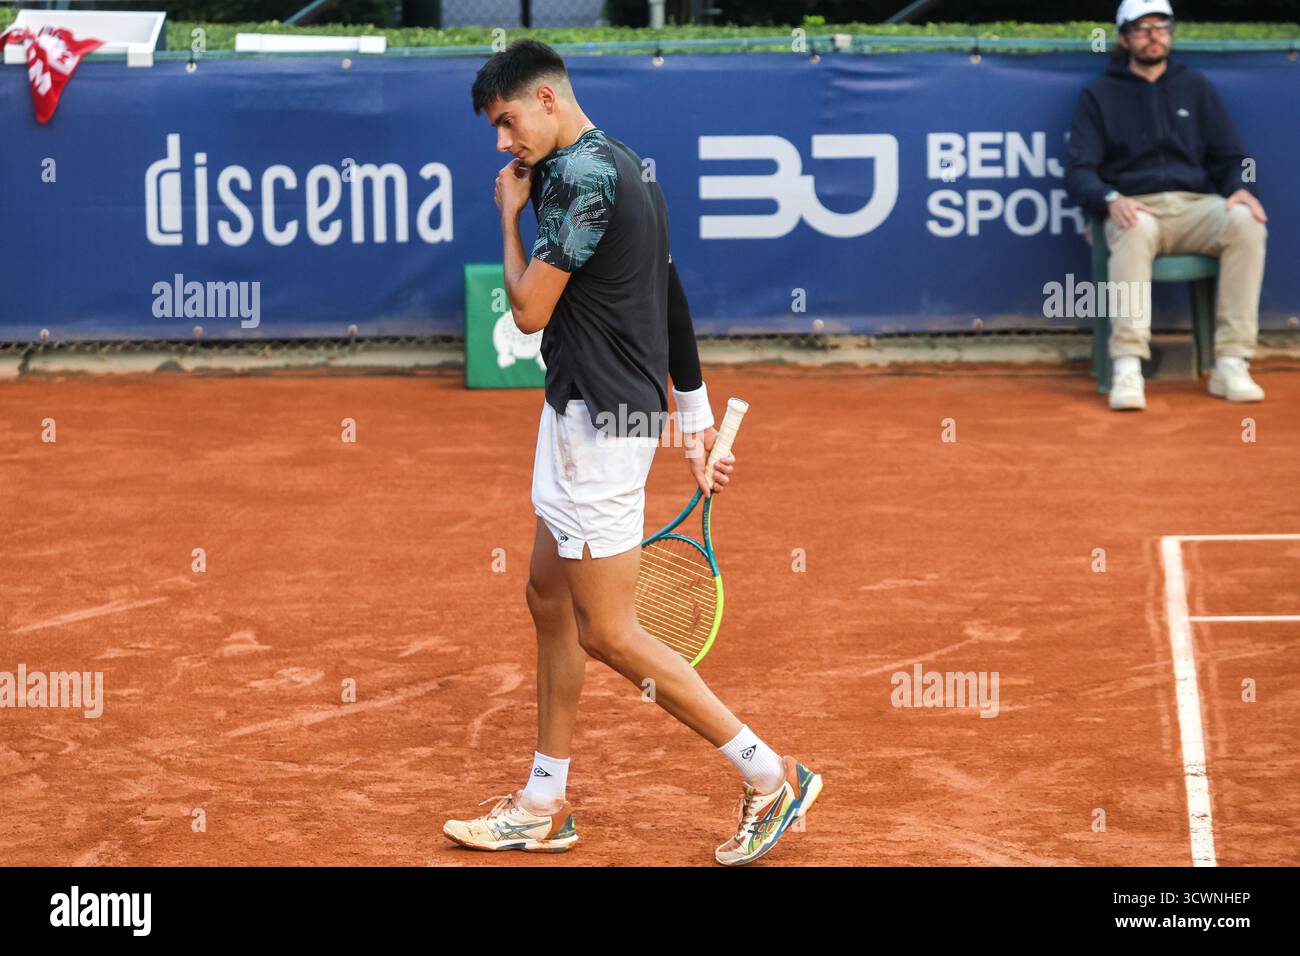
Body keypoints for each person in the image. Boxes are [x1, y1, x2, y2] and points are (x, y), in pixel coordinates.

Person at [443, 39, 823, 866]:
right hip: (581, 414)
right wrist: (697, 420)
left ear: (546, 99)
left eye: (507, 121)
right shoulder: (622, 164)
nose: (502, 143)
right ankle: (544, 802)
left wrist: (505, 218)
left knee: (611, 633)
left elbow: (530, 314)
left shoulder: (577, 178)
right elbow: (670, 292)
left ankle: (769, 774)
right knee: (548, 598)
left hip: (599, 428)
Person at [1065, 0, 1269, 411]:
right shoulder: (1099, 94)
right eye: (1141, 28)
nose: (1153, 35)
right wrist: (1110, 198)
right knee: (1134, 226)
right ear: (1123, 38)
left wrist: (1242, 187)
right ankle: (1127, 367)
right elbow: (1078, 171)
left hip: (1196, 207)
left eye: (1161, 26)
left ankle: (1231, 361)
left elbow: (1234, 159)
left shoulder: (1196, 87)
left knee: (1248, 222)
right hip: (1135, 209)